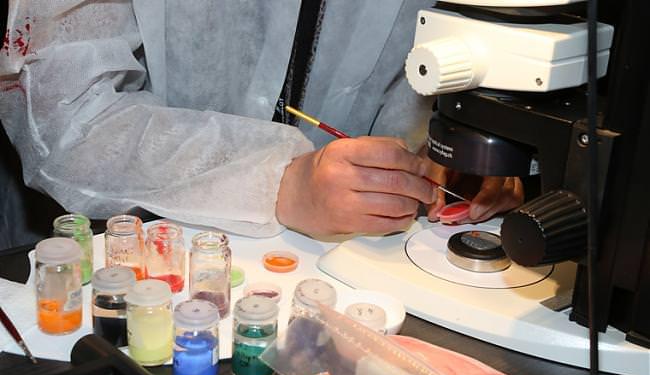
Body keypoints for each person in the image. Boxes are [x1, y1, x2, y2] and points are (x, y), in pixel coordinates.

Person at [0, 0, 522, 244]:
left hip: (342, 265)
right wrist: (279, 182)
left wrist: (457, 149)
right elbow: (69, 124)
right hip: (104, 248)